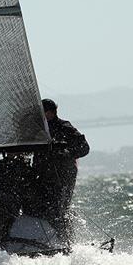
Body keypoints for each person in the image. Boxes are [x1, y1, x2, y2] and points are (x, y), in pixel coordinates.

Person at [32, 98, 90, 241]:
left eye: (42, 113)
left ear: (50, 113)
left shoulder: (65, 127)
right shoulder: (37, 129)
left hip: (62, 176)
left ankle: (66, 241)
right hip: (41, 174)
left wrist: (66, 153)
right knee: (37, 205)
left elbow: (85, 148)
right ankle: (41, 240)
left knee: (59, 208)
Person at [0, 153, 37, 241]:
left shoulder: (24, 168)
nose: (10, 153)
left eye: (13, 151)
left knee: (1, 207)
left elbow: (27, 189)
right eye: (9, 151)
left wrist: (2, 194)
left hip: (12, 199)